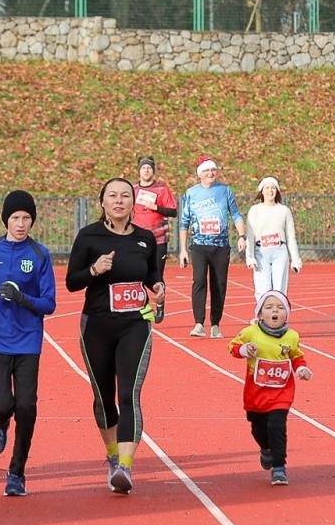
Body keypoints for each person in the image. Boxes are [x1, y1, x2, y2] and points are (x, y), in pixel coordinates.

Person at [67, 176, 165, 494]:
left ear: (132, 202)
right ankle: (112, 455)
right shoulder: (88, 237)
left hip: (135, 324)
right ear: (103, 202)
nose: (119, 200)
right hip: (95, 326)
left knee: (129, 395)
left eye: (125, 195)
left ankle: (125, 467)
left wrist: (157, 287)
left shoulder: (145, 238)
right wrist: (94, 270)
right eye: (113, 196)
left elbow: (152, 275)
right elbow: (72, 282)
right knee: (104, 398)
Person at [0, 190, 57, 497]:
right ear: (6, 219)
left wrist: (22, 298)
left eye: (26, 218)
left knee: (26, 407)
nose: (21, 223)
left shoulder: (39, 255)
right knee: (1, 404)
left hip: (28, 340)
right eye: (15, 217)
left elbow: (49, 304)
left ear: (33, 220)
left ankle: (17, 471)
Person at [228, 289, 312, 486]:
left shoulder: (292, 336)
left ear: (287, 314)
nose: (275, 311)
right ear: (260, 313)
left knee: (277, 426)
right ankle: (265, 448)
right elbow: (232, 346)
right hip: (255, 394)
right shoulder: (250, 332)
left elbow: (297, 356)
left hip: (281, 393)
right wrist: (243, 349)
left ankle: (279, 467)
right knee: (258, 428)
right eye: (269, 307)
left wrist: (302, 370)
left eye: (280, 308)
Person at [177, 155, 245, 338]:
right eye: (206, 170)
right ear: (200, 174)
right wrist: (183, 249)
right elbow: (184, 222)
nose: (210, 173)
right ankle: (199, 324)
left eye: (213, 170)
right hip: (199, 246)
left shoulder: (225, 191)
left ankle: (215, 324)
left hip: (221, 246)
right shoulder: (191, 193)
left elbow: (236, 214)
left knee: (219, 284)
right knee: (199, 281)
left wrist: (242, 235)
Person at [130, 156, 179, 323]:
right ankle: (142, 306)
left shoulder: (161, 189)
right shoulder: (133, 190)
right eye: (143, 168)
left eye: (149, 168)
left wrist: (156, 207)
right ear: (139, 170)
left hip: (158, 239)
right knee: (137, 273)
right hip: (138, 238)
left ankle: (159, 304)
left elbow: (173, 212)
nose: (146, 170)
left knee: (157, 274)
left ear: (153, 170)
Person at [245, 176, 303, 302]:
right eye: (267, 188)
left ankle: (280, 317)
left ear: (277, 191)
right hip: (261, 252)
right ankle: (262, 316)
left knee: (280, 289)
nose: (270, 191)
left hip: (279, 252)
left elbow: (291, 237)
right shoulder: (254, 210)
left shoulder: (284, 211)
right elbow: (249, 236)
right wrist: (249, 257)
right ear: (261, 191)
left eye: (273, 188)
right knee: (262, 288)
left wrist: (295, 260)